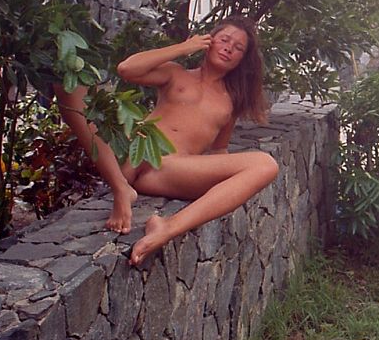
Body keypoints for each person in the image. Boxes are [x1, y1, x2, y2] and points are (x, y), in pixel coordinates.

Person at [55, 16, 279, 266]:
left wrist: (226, 184)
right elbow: (127, 69)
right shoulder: (176, 74)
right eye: (224, 40)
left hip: (170, 169)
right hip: (130, 157)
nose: (228, 48)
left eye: (238, 48)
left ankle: (168, 226)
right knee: (68, 84)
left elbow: (219, 149)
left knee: (265, 165)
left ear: (241, 60)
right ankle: (121, 188)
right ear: (209, 41)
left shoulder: (230, 101)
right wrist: (185, 47)